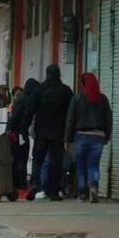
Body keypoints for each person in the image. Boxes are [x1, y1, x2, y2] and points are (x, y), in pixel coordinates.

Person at [25, 64, 74, 201]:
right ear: (59, 74)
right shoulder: (66, 91)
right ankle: (53, 191)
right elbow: (72, 113)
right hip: (58, 132)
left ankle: (35, 183)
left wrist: (24, 127)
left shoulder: (39, 90)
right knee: (55, 161)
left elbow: (30, 110)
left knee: (37, 158)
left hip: (41, 131)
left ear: (47, 74)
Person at [66, 72, 112, 203]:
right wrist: (107, 136)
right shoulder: (103, 99)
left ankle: (82, 194)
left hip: (81, 136)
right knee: (94, 165)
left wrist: (67, 139)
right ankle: (93, 188)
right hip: (98, 137)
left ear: (82, 84)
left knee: (81, 165)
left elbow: (70, 120)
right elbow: (108, 119)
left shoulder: (77, 98)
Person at [7, 79, 39, 193]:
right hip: (20, 134)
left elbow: (14, 118)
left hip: (17, 133)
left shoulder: (22, 99)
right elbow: (16, 118)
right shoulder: (26, 100)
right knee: (21, 159)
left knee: (17, 159)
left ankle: (17, 183)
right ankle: (19, 183)